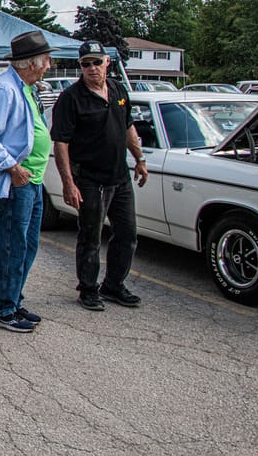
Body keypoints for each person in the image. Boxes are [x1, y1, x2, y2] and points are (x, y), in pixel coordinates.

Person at [51, 40, 149, 312]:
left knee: (127, 234)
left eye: (97, 62)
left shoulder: (118, 89)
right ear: (80, 67)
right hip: (90, 179)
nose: (92, 68)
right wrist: (68, 183)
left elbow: (128, 126)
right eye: (86, 64)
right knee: (91, 237)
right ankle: (88, 288)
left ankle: (114, 285)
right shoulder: (71, 98)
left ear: (107, 62)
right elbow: (61, 143)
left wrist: (140, 159)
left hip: (120, 176)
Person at [0, 30, 55, 333]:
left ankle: (14, 299)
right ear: (30, 63)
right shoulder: (4, 89)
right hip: (17, 180)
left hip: (32, 179)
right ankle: (3, 309)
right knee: (13, 244)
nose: (48, 66)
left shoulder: (26, 88)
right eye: (46, 60)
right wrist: (12, 167)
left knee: (27, 244)